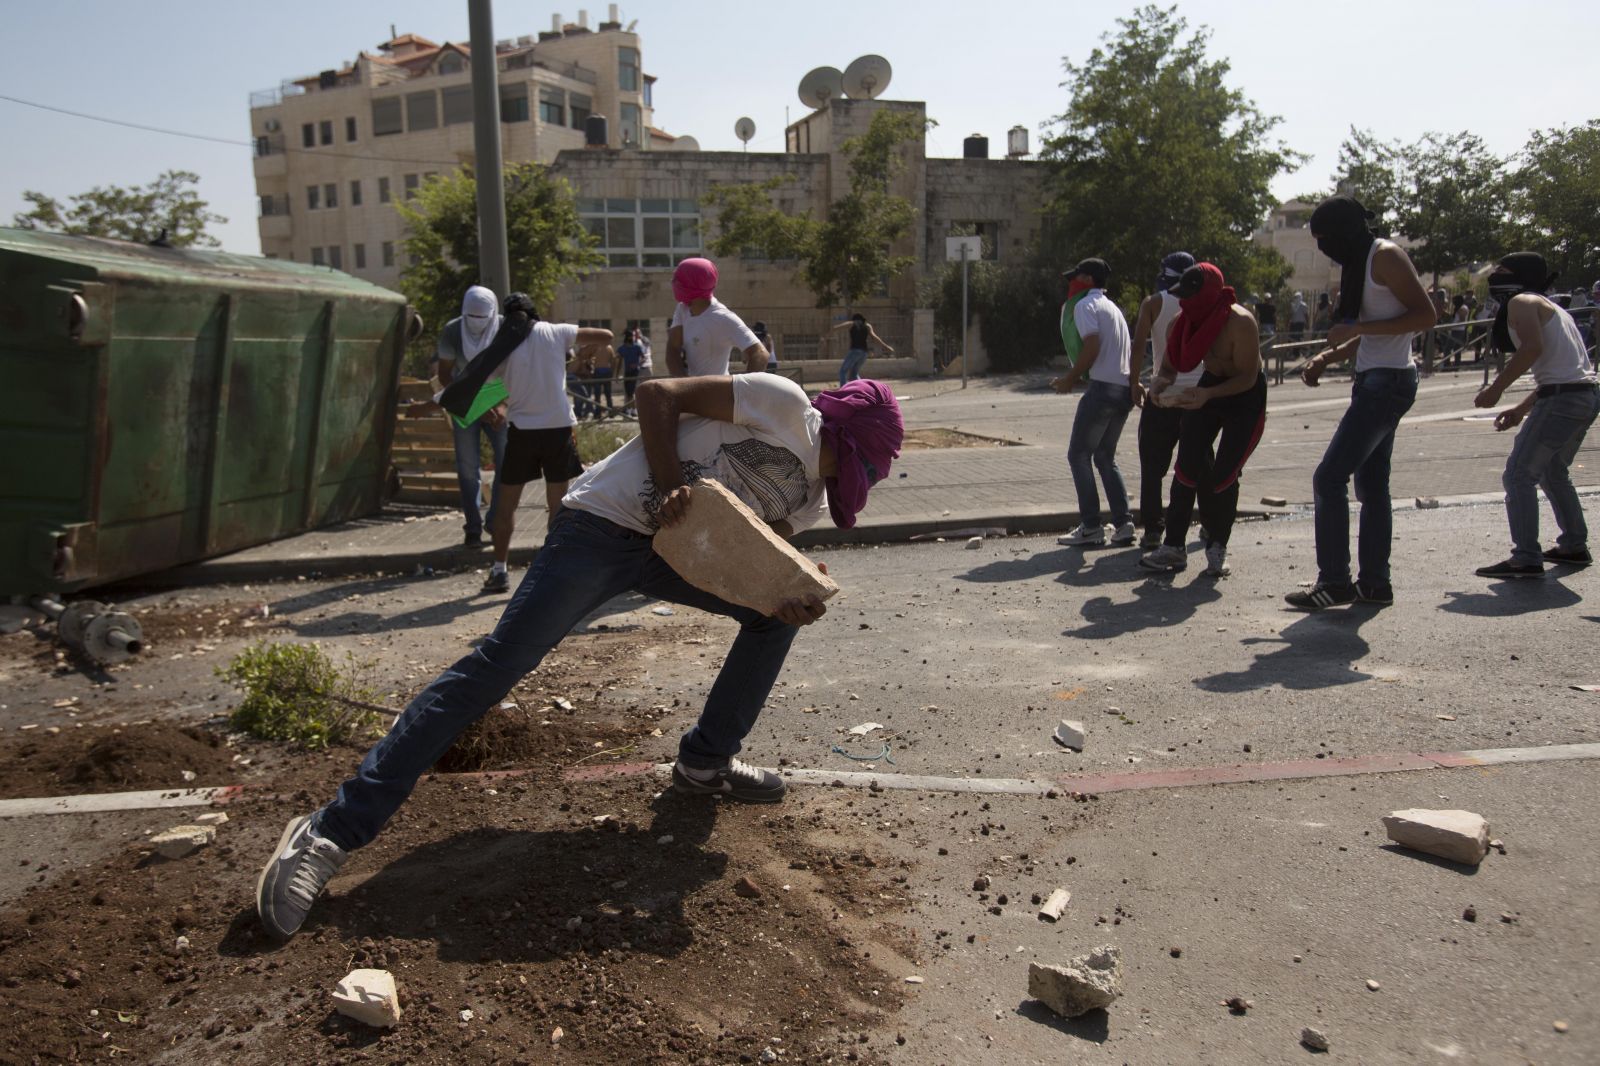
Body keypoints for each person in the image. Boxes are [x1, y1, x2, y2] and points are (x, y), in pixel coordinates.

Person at [255, 372, 905, 940]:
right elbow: (657, 394)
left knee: (771, 624)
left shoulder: (811, 500)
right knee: (497, 668)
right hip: (601, 526)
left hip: (673, 556)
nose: (857, 482)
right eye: (865, 469)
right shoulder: (783, 403)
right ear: (853, 444)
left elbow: (751, 555)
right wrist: (670, 485)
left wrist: (784, 590)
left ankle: (705, 763)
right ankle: (330, 832)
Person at [1285, 195, 1435, 610]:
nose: (1322, 249)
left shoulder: (1384, 257)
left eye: (1324, 239)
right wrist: (1328, 357)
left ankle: (1335, 581)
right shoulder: (1358, 261)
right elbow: (1369, 331)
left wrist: (1356, 329)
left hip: (1388, 383)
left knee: (1329, 478)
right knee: (1371, 485)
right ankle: (1374, 584)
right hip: (1375, 379)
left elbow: (1425, 316)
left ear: (1344, 232)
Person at [1472, 252, 1599, 578]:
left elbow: (1532, 348)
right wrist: (1521, 410)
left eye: (1501, 269)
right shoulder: (1554, 308)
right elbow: (1562, 371)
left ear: (1519, 274)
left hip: (1563, 400)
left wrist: (1496, 389)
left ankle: (1526, 557)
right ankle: (1573, 545)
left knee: (1518, 475)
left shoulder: (1522, 301)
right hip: (1583, 396)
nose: (1495, 275)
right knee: (1553, 471)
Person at [1138, 263, 1268, 577]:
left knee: (1224, 473)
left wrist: (1208, 395)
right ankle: (1173, 545)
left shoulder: (1240, 323)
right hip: (1210, 387)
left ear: (1209, 296)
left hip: (1245, 395)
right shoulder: (1181, 322)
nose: (1185, 303)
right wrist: (1159, 383)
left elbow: (1247, 377)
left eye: (1191, 297)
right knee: (1186, 466)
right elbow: (1168, 368)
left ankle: (1218, 545)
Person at [479, 300, 613, 593]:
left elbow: (482, 382)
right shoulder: (556, 331)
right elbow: (606, 336)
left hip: (521, 433)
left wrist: (495, 407)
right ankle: (551, 570)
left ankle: (499, 570)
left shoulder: (503, 342)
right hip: (557, 429)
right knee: (558, 506)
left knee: (506, 505)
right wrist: (585, 353)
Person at [1051, 257, 1136, 547]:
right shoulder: (1113, 308)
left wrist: (1070, 378)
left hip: (1102, 390)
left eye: (1076, 277)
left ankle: (1091, 527)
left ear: (1088, 280)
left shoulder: (1085, 305)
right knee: (1104, 457)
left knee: (1078, 455)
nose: (1071, 283)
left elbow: (1092, 345)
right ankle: (1124, 524)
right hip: (1123, 390)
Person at [1127, 251, 1195, 550]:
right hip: (1196, 397)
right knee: (1198, 466)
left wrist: (1134, 382)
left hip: (1163, 393)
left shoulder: (1154, 303)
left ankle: (1153, 529)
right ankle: (1210, 528)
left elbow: (1138, 345)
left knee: (1152, 467)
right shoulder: (1205, 302)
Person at [434, 286, 509, 548]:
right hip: (465, 406)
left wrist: (502, 406)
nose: (476, 323)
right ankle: (473, 528)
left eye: (482, 317)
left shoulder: (504, 328)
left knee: (506, 464)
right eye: (471, 317)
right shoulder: (453, 331)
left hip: (498, 404)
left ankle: (494, 520)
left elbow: (514, 371)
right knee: (467, 469)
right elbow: (445, 375)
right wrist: (476, 407)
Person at [667, 258, 768, 377]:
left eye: (679, 280)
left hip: (716, 388)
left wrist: (744, 386)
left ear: (691, 284)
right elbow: (673, 349)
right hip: (691, 387)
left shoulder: (722, 317)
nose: (674, 282)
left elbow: (760, 353)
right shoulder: (682, 309)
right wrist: (685, 384)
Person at [830, 313, 895, 385]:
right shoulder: (867, 326)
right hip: (864, 353)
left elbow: (836, 327)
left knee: (843, 371)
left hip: (854, 351)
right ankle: (862, 388)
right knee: (854, 373)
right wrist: (886, 346)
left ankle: (843, 389)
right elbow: (874, 337)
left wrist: (830, 331)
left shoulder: (851, 324)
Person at [617, 328, 646, 413]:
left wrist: (636, 364)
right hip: (627, 372)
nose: (632, 338)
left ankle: (632, 409)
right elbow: (619, 362)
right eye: (631, 336)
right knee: (628, 392)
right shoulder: (622, 348)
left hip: (635, 372)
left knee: (632, 391)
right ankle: (631, 409)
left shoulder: (637, 347)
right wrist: (617, 374)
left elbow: (644, 358)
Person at [589, 340, 616, 418]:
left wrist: (592, 366)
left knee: (597, 394)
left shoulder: (595, 347)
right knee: (608, 394)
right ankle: (610, 412)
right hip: (607, 370)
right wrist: (612, 371)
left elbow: (589, 359)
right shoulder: (609, 347)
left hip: (598, 371)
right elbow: (613, 360)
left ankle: (598, 413)